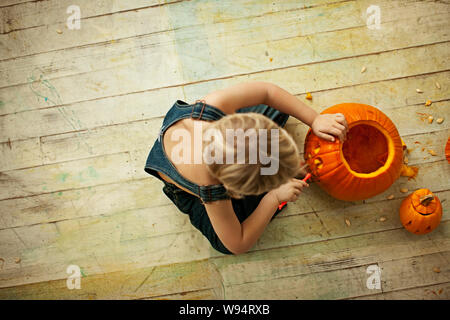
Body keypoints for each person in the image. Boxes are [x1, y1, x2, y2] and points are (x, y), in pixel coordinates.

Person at [144, 82, 348, 255]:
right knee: (226, 241)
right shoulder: (210, 184)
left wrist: (314, 119)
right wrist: (273, 197)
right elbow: (238, 244)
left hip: (196, 138)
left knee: (274, 106)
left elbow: (267, 92)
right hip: (190, 187)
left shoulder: (214, 106)